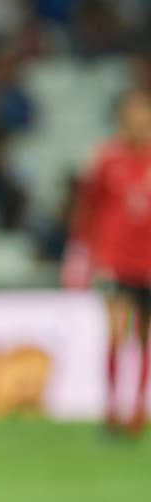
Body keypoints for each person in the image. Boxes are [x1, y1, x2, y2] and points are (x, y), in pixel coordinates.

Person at [65, 88, 151, 436]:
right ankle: (113, 408)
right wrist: (81, 253)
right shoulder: (105, 158)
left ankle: (137, 411)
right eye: (134, 111)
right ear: (122, 117)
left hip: (148, 260)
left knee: (144, 336)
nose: (140, 118)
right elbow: (88, 209)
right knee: (116, 331)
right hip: (115, 259)